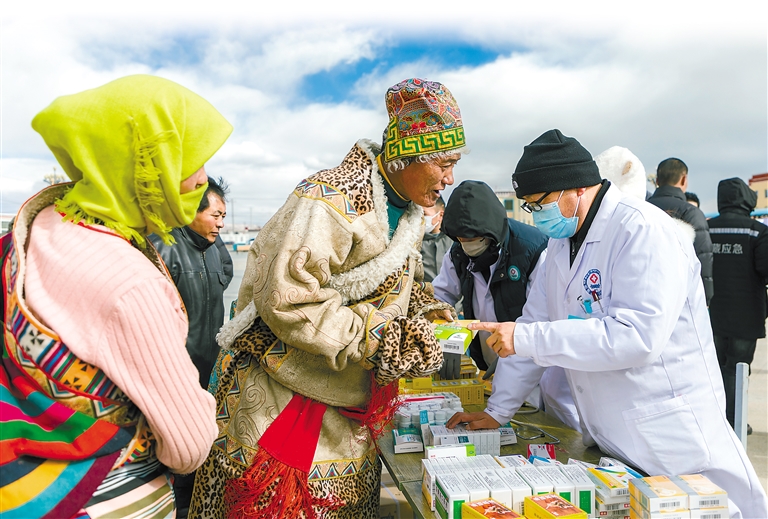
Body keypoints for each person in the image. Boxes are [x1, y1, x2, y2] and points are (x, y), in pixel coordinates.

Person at [448, 129, 767, 518]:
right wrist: (497, 410)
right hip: (612, 437)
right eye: (529, 207)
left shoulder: (643, 230)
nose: (536, 214)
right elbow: (532, 324)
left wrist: (528, 338)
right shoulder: (559, 247)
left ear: (577, 188)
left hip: (671, 435)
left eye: (539, 203)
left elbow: (637, 336)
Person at [191, 78, 464, 518]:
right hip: (286, 395)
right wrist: (379, 340)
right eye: (444, 164)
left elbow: (397, 283)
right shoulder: (328, 199)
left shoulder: (410, 212)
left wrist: (424, 310)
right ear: (407, 156)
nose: (449, 180)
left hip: (349, 399)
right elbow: (287, 297)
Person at [0, 75, 231, 517]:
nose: (203, 177)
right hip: (96, 495)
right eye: (191, 160)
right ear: (145, 161)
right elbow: (188, 446)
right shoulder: (130, 282)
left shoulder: (44, 222)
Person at [432, 180, 579, 429]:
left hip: (535, 367)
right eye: (461, 239)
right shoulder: (458, 253)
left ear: (492, 233)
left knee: (542, 422)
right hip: (490, 362)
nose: (468, 244)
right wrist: (439, 310)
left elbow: (536, 322)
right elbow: (442, 293)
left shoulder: (532, 250)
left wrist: (501, 405)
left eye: (475, 239)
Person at [149, 176, 233, 518]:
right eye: (215, 215)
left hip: (210, 366)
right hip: (173, 370)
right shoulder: (161, 247)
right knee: (174, 444)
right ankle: (176, 506)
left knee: (204, 440)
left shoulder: (217, 247)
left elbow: (226, 275)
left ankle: (197, 504)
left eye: (223, 216)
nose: (221, 223)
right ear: (191, 211)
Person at [707, 178, 768, 432]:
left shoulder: (708, 228)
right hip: (746, 315)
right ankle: (736, 421)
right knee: (739, 369)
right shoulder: (756, 231)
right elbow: (764, 270)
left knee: (716, 368)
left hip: (714, 314)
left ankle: (718, 418)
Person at [647, 158, 714, 304]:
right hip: (680, 298)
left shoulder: (641, 209)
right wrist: (706, 298)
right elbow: (703, 257)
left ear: (657, 181)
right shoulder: (691, 212)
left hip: (645, 293)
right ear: (684, 180)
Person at [421, 196, 453, 282]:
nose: (421, 219)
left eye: (424, 214)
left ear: (440, 215)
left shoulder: (454, 241)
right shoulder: (415, 243)